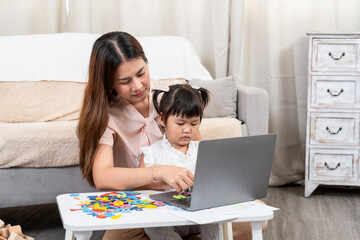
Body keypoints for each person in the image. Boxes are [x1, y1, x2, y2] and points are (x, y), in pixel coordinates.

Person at [77, 31, 266, 240]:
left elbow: (199, 154)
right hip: (146, 208)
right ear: (108, 82)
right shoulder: (106, 117)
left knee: (257, 216)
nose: (138, 86)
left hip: (189, 204)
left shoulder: (169, 99)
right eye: (125, 81)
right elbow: (103, 177)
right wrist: (157, 172)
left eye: (141, 73)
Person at [137, 84, 223, 240]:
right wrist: (164, 182)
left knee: (214, 217)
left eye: (194, 123)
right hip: (167, 217)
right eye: (180, 123)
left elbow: (214, 179)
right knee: (152, 225)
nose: (187, 130)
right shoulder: (152, 152)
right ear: (162, 119)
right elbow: (140, 185)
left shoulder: (202, 150)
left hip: (199, 215)